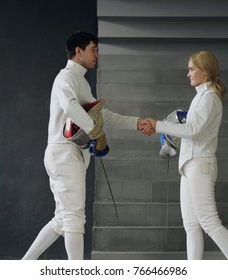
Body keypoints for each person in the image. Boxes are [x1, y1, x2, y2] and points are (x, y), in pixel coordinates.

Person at [22, 31, 153, 260]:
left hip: (69, 154)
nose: (97, 55)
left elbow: (102, 115)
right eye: (94, 49)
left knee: (63, 219)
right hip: (64, 153)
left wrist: (136, 123)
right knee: (74, 220)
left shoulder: (79, 80)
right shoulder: (65, 77)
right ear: (78, 51)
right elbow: (71, 107)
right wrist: (95, 132)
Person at [146, 51, 228, 260]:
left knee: (209, 222)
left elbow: (193, 130)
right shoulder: (201, 96)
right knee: (190, 224)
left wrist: (158, 125)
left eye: (191, 69)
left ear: (205, 72)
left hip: (201, 165)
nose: (188, 73)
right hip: (190, 165)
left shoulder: (209, 97)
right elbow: (192, 131)